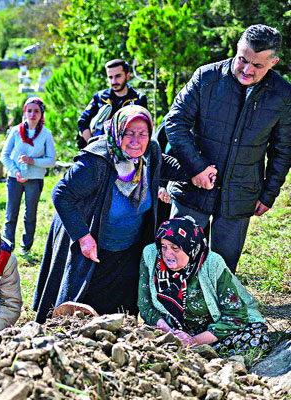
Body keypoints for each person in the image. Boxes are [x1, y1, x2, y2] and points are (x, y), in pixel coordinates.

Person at [33, 105, 187, 324]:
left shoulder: (150, 151)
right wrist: (83, 237)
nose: (136, 140)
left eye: (142, 133)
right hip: (91, 242)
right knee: (78, 313)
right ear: (117, 131)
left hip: (125, 248)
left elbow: (166, 165)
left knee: (118, 318)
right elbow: (61, 194)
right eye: (128, 133)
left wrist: (197, 170)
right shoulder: (97, 160)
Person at [164, 24, 291, 274]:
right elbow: (174, 122)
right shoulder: (206, 77)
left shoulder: (284, 95)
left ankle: (214, 311)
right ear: (236, 49)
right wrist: (196, 168)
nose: (246, 69)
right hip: (191, 189)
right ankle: (171, 311)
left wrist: (268, 194)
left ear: (273, 62)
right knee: (175, 265)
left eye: (257, 66)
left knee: (221, 272)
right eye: (242, 59)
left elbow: (283, 149)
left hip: (240, 195)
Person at [138, 216, 270, 355]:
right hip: (173, 329)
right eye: (163, 246)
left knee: (256, 337)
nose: (167, 254)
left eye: (175, 248)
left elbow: (235, 316)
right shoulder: (152, 255)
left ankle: (199, 351)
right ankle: (193, 351)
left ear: (191, 248)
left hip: (212, 328)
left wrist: (193, 341)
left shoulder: (212, 264)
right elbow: (145, 305)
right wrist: (170, 333)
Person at [1, 97, 56, 255]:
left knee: (30, 214)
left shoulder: (46, 134)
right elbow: (4, 155)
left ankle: (26, 246)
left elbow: (51, 161)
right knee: (11, 213)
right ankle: (7, 246)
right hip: (15, 179)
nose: (32, 114)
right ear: (25, 112)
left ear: (41, 113)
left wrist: (33, 161)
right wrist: (15, 171)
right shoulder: (15, 131)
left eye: (36, 111)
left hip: (34, 180)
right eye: (29, 110)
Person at [77, 59, 148, 149]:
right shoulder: (100, 97)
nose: (114, 81)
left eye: (118, 76)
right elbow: (82, 121)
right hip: (98, 146)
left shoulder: (139, 99)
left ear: (127, 75)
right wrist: (94, 146)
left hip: (128, 149)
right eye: (110, 77)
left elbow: (143, 129)